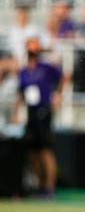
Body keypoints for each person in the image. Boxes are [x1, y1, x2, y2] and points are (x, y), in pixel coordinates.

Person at [12, 37, 63, 198]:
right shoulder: (24, 72)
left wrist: (57, 95)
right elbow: (21, 93)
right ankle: (40, 184)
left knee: (45, 150)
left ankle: (49, 187)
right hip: (31, 112)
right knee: (32, 151)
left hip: (44, 111)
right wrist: (16, 112)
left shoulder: (46, 68)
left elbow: (63, 77)